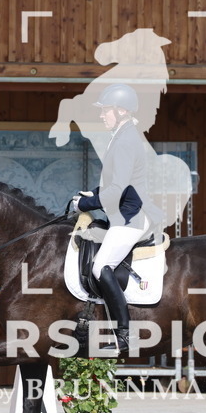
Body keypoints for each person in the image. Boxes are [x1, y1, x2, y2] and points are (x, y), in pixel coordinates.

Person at [72, 83, 163, 353]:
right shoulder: (124, 135)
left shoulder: (126, 139)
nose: (102, 115)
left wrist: (86, 203)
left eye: (106, 110)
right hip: (124, 212)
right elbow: (118, 183)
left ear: (121, 111)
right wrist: (91, 193)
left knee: (101, 266)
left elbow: (119, 191)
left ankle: (125, 333)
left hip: (131, 217)